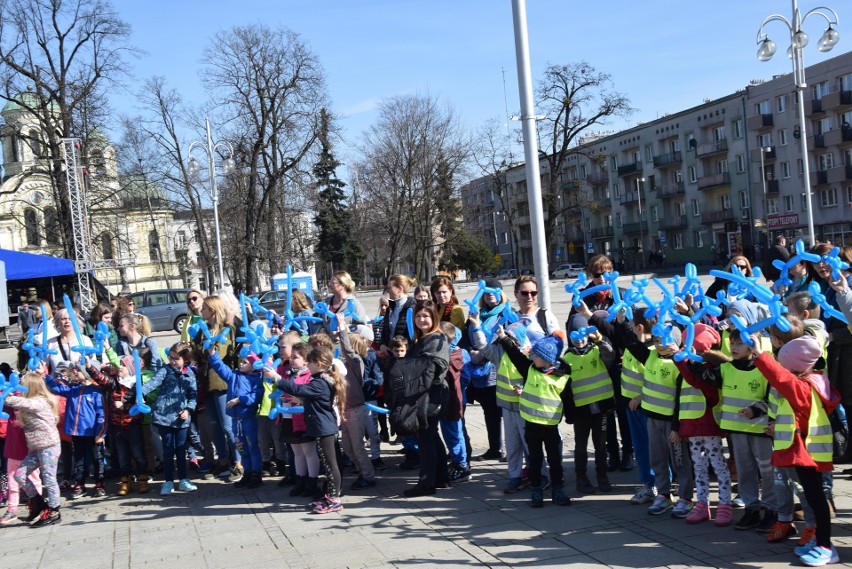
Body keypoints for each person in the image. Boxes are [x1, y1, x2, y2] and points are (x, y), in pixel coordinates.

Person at [753, 336, 840, 567]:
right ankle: (821, 542)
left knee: (816, 499)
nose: (781, 367)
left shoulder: (802, 386)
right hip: (806, 451)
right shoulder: (811, 381)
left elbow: (781, 379)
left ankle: (826, 546)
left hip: (807, 452)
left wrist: (762, 355)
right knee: (814, 497)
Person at [615, 312, 695, 518]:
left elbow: (681, 399)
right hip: (653, 419)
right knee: (657, 459)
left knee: (680, 462)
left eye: (666, 341)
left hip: (672, 424)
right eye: (658, 340)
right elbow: (631, 342)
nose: (661, 345)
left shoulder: (680, 365)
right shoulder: (650, 355)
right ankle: (663, 495)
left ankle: (686, 498)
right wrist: (623, 321)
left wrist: (677, 427)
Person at [496, 330, 572, 507]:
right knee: (535, 461)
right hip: (531, 426)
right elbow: (515, 355)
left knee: (555, 461)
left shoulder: (561, 378)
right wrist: (503, 338)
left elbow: (568, 400)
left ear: (547, 359)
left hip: (551, 426)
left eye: (536, 354)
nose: (531, 355)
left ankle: (558, 489)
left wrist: (571, 417)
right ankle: (536, 490)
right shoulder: (529, 368)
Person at [672, 324, 734, 526]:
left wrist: (682, 363)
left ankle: (724, 505)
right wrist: (677, 427)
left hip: (709, 427)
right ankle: (702, 504)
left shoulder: (711, 370)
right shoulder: (688, 368)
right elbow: (679, 398)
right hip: (692, 428)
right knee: (698, 467)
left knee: (718, 466)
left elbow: (698, 383)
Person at [275, 346, 348, 514]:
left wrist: (277, 378)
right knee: (329, 463)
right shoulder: (321, 380)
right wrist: (301, 402)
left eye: (311, 362)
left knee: (331, 465)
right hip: (322, 427)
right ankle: (330, 495)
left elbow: (298, 389)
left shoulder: (320, 382)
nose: (308, 365)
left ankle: (334, 499)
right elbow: (314, 402)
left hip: (324, 429)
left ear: (319, 364)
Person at [393, 300, 451, 498]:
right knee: (431, 436)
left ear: (434, 317)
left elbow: (428, 371)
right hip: (426, 394)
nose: (421, 320)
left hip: (431, 395)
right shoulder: (423, 338)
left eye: (425, 316)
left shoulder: (436, 339)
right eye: (418, 316)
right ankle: (441, 477)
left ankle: (427, 483)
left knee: (426, 437)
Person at [562, 313, 616, 494]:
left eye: (582, 334)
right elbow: (565, 389)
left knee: (601, 445)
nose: (579, 339)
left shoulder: (597, 350)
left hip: (601, 407)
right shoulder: (567, 359)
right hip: (581, 410)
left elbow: (610, 355)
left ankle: (602, 475)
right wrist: (569, 412)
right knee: (580, 445)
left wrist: (599, 339)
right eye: (574, 335)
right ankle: (581, 477)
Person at [4, 372, 62, 527]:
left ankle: (55, 510)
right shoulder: (30, 401)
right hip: (37, 447)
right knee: (20, 474)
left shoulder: (40, 401)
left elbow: (24, 403)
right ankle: (38, 503)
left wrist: (5, 396)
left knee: (49, 479)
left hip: (49, 446)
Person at [195, 295, 242, 483]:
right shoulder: (202, 330)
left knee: (227, 426)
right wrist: (204, 346)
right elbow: (196, 353)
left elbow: (219, 353)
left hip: (222, 382)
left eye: (205, 308)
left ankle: (238, 462)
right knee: (214, 425)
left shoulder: (227, 329)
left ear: (214, 310)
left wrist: (207, 346)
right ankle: (222, 460)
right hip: (206, 382)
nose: (201, 311)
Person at [142, 342, 198, 495]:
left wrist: (188, 409)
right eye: (170, 357)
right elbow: (153, 383)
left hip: (182, 419)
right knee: (168, 450)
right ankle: (167, 482)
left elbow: (193, 396)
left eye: (176, 359)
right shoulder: (165, 370)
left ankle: (183, 480)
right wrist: (139, 392)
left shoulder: (190, 375)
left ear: (185, 360)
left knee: (181, 450)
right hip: (164, 417)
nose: (172, 361)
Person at [207, 342, 265, 489]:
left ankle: (256, 474)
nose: (241, 364)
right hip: (236, 421)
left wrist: (240, 399)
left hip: (248, 419)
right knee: (241, 448)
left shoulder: (257, 380)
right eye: (241, 361)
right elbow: (221, 369)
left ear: (254, 366)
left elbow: (256, 397)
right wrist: (212, 354)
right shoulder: (234, 376)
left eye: (245, 362)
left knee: (252, 447)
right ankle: (247, 472)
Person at [44, 363, 106, 498]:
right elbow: (56, 388)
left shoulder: (96, 391)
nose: (75, 373)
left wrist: (100, 433)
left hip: (92, 433)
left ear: (86, 374)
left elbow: (101, 414)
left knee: (97, 458)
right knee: (79, 458)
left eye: (78, 371)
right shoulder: (73, 389)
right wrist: (45, 375)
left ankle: (99, 484)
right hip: (76, 432)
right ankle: (80, 484)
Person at [264, 342, 316, 498]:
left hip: (302, 419)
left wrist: (299, 399)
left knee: (309, 452)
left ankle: (312, 482)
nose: (292, 360)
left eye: (296, 357)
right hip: (288, 418)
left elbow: (308, 395)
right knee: (297, 452)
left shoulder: (309, 375)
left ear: (306, 360)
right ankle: (300, 481)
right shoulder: (287, 373)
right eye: (291, 357)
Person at [335, 313, 376, 490]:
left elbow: (347, 348)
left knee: (358, 446)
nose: (343, 349)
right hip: (345, 408)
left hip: (356, 409)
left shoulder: (356, 361)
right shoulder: (344, 365)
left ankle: (368, 476)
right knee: (347, 446)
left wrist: (342, 326)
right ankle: (361, 471)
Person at [1, 407, 43, 524]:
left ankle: (37, 507)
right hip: (12, 453)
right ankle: (12, 509)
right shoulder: (9, 412)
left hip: (28, 455)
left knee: (34, 482)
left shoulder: (30, 411)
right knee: (12, 484)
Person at [319, 271, 372, 342]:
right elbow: (318, 322)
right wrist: (322, 330)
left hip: (346, 345)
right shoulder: (327, 301)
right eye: (330, 282)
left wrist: (344, 330)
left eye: (333, 283)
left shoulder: (354, 303)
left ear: (342, 285)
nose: (330, 285)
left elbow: (363, 328)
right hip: (328, 345)